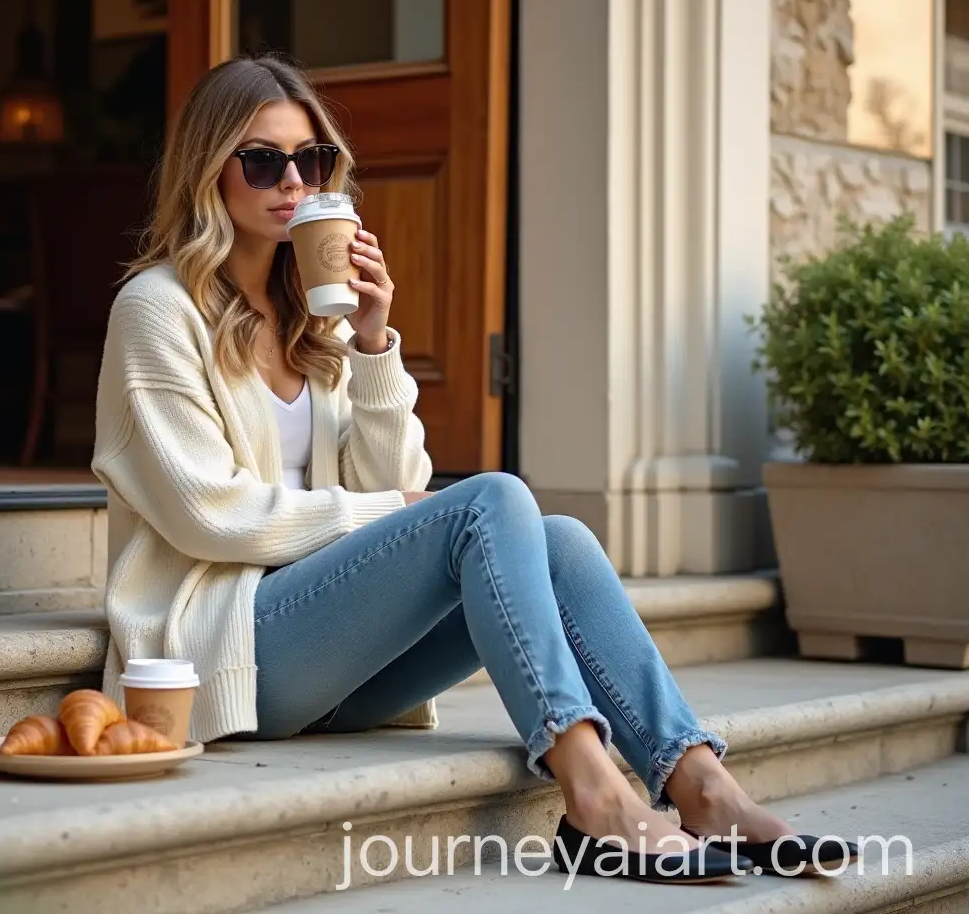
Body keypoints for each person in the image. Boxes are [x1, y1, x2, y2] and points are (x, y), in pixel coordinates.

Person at [91, 55, 855, 884]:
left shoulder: (316, 313)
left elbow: (397, 474)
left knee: (555, 538)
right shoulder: (157, 311)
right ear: (210, 170)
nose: (292, 183)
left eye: (310, 161)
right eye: (263, 160)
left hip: (339, 665)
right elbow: (211, 514)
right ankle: (593, 793)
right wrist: (385, 514)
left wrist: (375, 345)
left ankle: (700, 782)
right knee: (490, 500)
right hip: (228, 647)